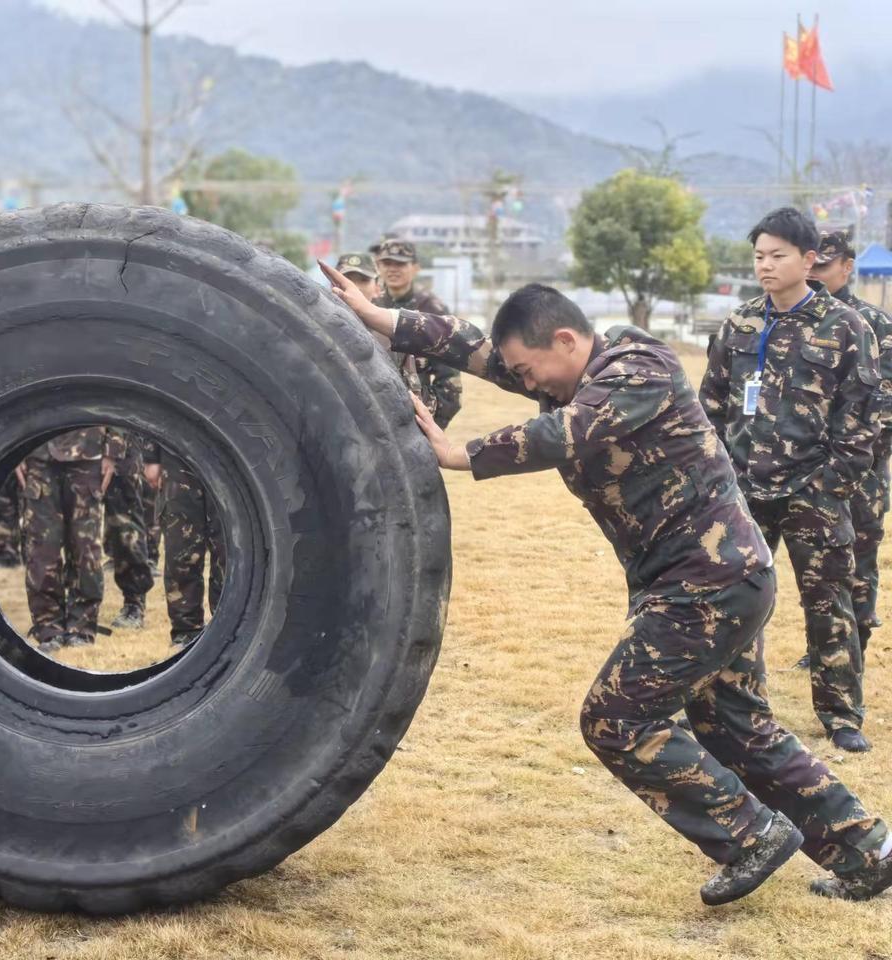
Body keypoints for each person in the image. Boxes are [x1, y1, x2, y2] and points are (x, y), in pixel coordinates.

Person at [321, 260, 892, 904]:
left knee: (615, 719)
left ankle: (750, 833)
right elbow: (474, 346)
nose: (523, 381)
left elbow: (566, 433)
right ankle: (868, 850)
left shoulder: (639, 369)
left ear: (565, 340)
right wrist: (381, 318)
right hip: (713, 580)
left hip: (706, 583)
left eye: (528, 370)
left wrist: (463, 454)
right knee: (738, 729)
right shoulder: (568, 374)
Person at [700, 208, 879, 753]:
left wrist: (829, 486)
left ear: (808, 260)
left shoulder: (846, 327)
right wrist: (719, 478)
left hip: (812, 492)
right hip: (744, 492)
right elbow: (710, 406)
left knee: (829, 605)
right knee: (730, 600)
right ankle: (723, 707)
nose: (766, 265)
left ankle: (841, 715)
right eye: (759, 256)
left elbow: (861, 420)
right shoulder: (740, 325)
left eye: (778, 255)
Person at [809, 228, 892, 657]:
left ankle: (853, 646)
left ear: (847, 267)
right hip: (801, 469)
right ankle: (824, 646)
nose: (815, 273)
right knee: (816, 566)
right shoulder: (793, 320)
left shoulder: (875, 325)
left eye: (824, 266)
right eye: (811, 264)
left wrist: (848, 453)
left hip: (861, 472)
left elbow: (886, 403)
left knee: (857, 561)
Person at [18, 427, 121, 653]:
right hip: (38, 451)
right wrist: (11, 450)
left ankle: (81, 629)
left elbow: (120, 405)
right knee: (42, 548)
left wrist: (113, 451)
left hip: (88, 452)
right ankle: (48, 628)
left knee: (86, 549)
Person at [372, 239, 463, 429]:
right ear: (378, 267)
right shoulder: (370, 306)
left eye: (400, 264)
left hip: (417, 417)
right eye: (387, 263)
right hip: (375, 414)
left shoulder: (433, 310)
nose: (393, 269)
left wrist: (430, 425)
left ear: (415, 268)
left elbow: (450, 381)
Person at [143, 445, 224, 647]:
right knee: (181, 550)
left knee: (229, 551)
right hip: (177, 455)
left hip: (227, 455)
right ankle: (186, 632)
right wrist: (151, 457)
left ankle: (227, 627)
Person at [103, 430, 155, 629]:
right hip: (75, 444)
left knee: (126, 531)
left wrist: (112, 451)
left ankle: (134, 604)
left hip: (121, 451)